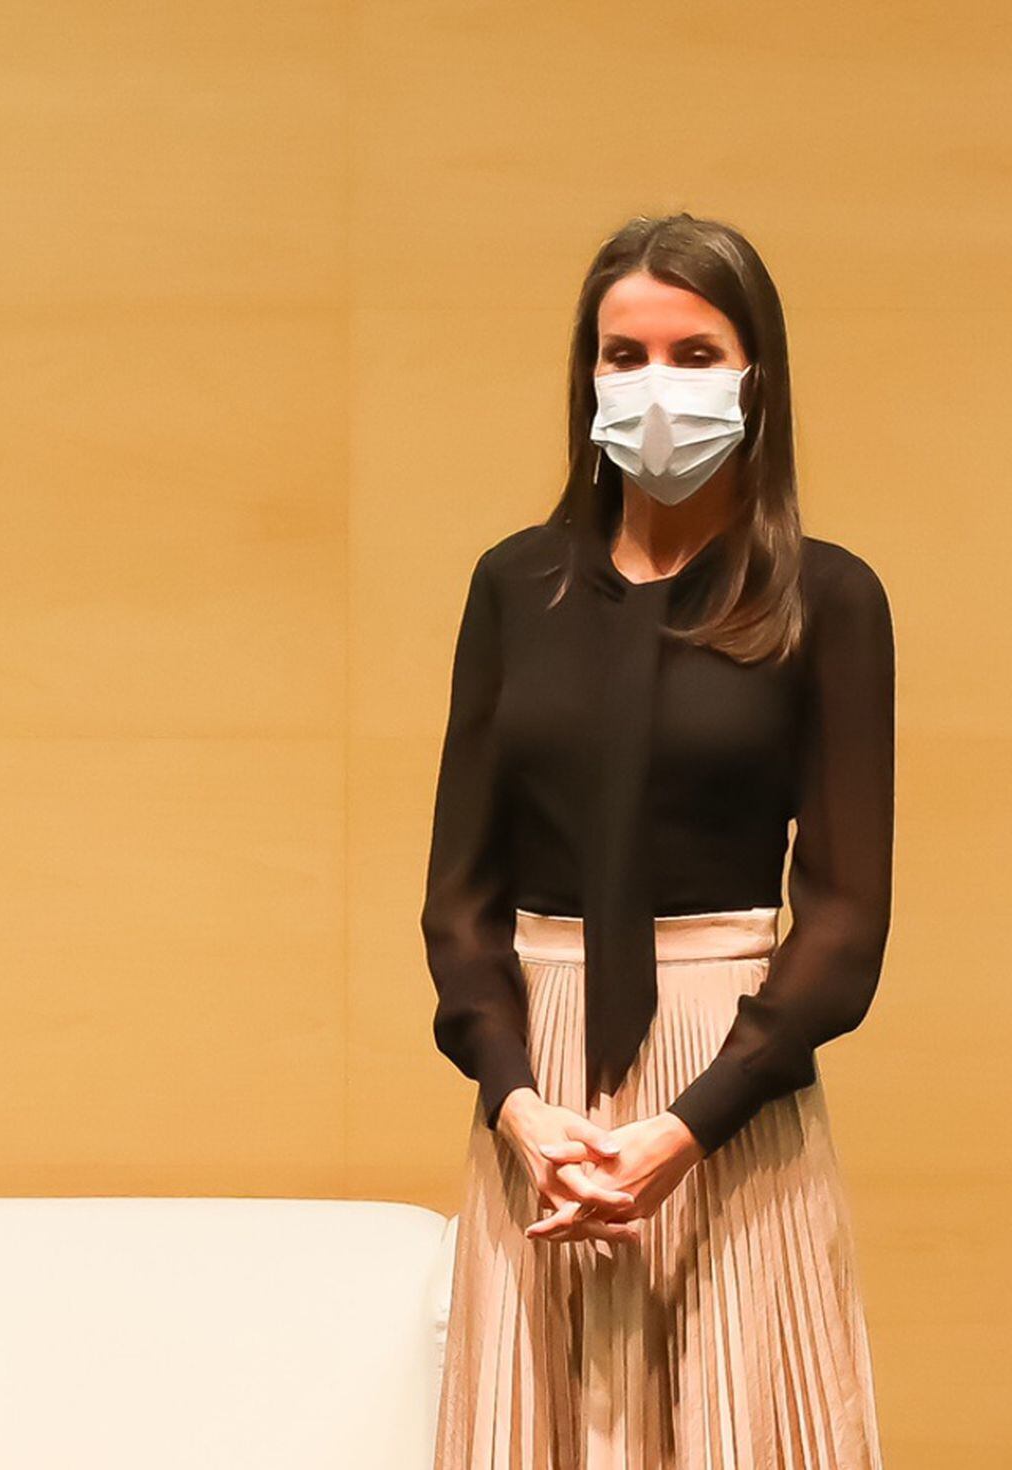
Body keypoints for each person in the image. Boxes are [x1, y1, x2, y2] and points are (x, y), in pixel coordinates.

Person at [420, 214, 892, 1467]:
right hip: (540, 1100)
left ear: (756, 378)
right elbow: (459, 903)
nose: (654, 385)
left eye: (694, 353)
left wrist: (681, 1132)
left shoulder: (826, 599)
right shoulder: (513, 586)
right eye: (622, 356)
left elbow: (843, 919)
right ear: (586, 378)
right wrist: (521, 1109)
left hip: (728, 1093)